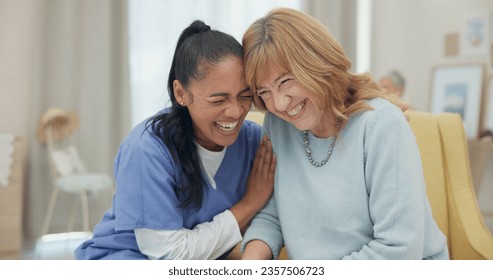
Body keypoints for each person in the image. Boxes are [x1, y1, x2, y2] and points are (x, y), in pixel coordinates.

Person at [240, 8, 448, 260]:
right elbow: (273, 214)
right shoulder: (278, 125)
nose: (280, 103)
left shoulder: (381, 125)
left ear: (316, 63)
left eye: (286, 81)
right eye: (265, 92)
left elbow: (398, 249)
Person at [75, 20, 276, 260]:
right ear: (181, 93)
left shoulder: (255, 142)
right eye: (218, 100)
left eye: (245, 96)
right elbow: (168, 255)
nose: (235, 111)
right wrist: (249, 204)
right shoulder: (147, 150)